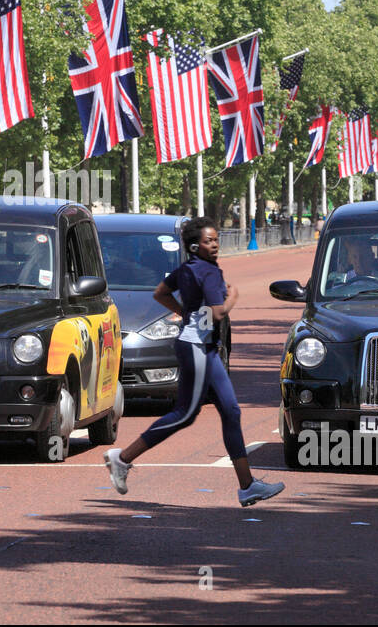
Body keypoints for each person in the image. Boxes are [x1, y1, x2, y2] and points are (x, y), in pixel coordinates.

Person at [103, 217, 284, 507]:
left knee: (231, 410)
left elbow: (160, 293)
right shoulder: (210, 273)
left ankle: (247, 486)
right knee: (186, 414)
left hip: (203, 347)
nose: (215, 245)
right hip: (197, 347)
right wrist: (233, 297)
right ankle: (122, 458)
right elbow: (218, 314)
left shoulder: (186, 269)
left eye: (215, 240)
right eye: (208, 241)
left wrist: (187, 315)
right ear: (194, 245)